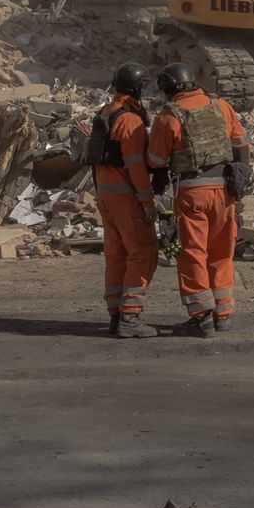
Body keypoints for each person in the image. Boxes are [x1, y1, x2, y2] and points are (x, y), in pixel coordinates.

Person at [147, 62, 251, 337]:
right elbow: (241, 145)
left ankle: (201, 316)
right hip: (225, 191)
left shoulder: (168, 117)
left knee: (194, 252)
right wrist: (240, 181)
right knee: (221, 251)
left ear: (169, 89)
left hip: (192, 192)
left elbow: (156, 160)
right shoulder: (221, 107)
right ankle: (223, 313)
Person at [91, 62, 157, 339]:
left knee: (116, 256)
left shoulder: (106, 112)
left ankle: (116, 314)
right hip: (125, 195)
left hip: (105, 194)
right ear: (139, 88)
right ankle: (131, 317)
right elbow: (136, 166)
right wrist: (147, 202)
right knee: (142, 252)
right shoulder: (130, 120)